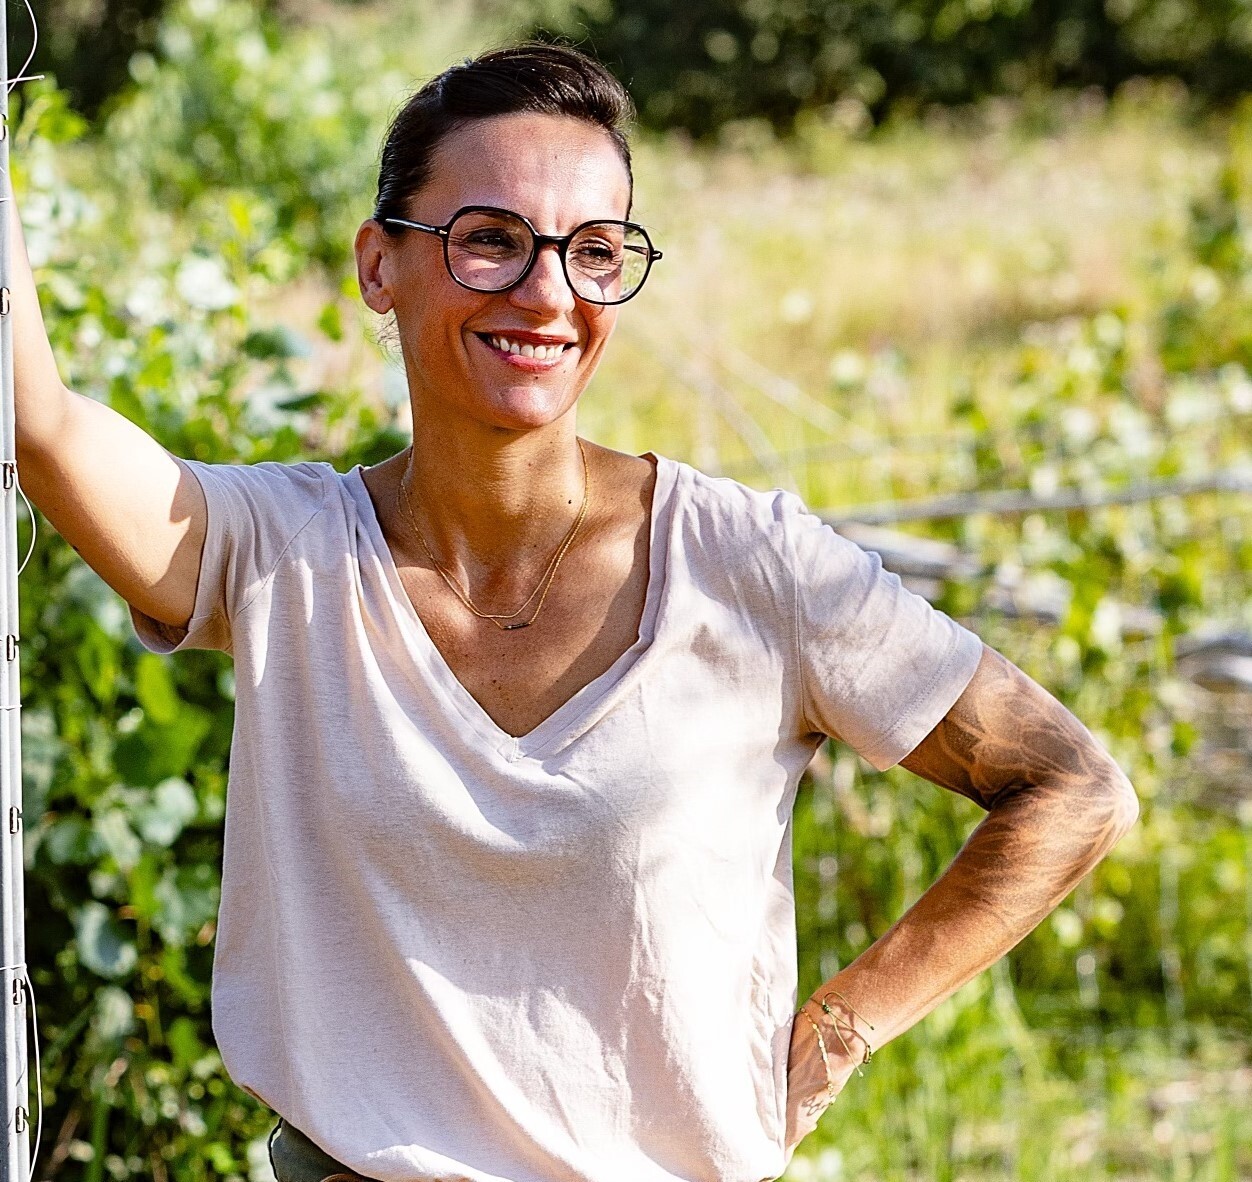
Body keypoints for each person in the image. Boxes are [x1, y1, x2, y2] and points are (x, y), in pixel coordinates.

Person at [11, 41, 1138, 1182]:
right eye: (489, 239)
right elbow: (43, 427)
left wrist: (843, 1026)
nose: (547, 292)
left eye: (593, 251)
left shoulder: (748, 568)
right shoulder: (285, 556)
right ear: (377, 264)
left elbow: (1070, 787)